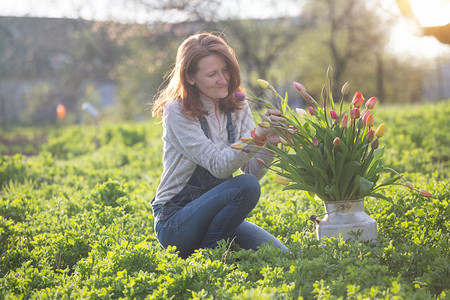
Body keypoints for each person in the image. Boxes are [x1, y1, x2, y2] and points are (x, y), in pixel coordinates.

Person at [151, 32, 289, 259]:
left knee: (281, 255)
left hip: (218, 217)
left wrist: (268, 142)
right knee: (247, 185)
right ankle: (211, 255)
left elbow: (252, 169)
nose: (223, 79)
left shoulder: (238, 105)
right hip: (176, 222)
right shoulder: (177, 111)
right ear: (191, 78)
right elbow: (220, 167)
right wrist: (257, 134)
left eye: (225, 70)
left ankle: (212, 249)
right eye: (212, 74)